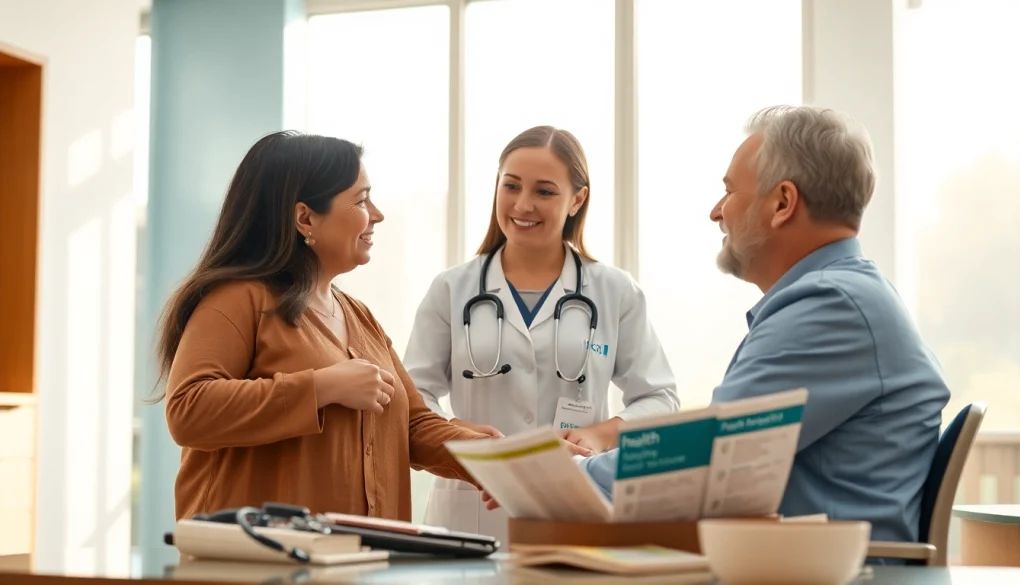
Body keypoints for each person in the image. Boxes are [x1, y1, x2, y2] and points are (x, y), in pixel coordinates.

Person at [576, 106, 951, 555]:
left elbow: (707, 457)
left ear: (782, 203)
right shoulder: (844, 298)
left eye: (730, 191)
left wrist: (566, 477)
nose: (716, 212)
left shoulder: (831, 307)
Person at [157, 131, 491, 522]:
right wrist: (322, 387)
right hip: (257, 565)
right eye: (362, 200)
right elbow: (188, 409)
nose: (377, 215)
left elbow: (412, 424)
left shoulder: (359, 316)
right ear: (305, 217)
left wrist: (495, 459)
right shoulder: (237, 299)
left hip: (358, 563)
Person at [403, 125, 680, 543]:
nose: (523, 204)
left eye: (545, 191)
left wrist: (598, 435)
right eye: (511, 186)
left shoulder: (614, 290)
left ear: (578, 199)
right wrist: (456, 431)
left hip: (574, 499)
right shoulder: (451, 289)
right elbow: (413, 398)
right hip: (472, 506)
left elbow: (660, 397)